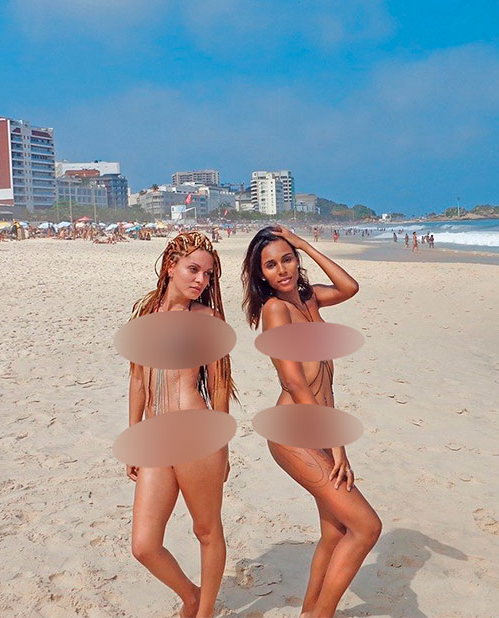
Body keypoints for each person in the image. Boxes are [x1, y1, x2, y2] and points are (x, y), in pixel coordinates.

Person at [241, 225, 381, 618]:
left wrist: (304, 244)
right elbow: (292, 380)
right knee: (367, 527)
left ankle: (308, 612)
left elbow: (349, 286)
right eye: (271, 265)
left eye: (287, 259)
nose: (282, 269)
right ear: (261, 274)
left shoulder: (308, 300)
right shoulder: (275, 310)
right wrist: (336, 441)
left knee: (336, 532)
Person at [127, 231, 238, 618]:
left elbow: (220, 386)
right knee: (144, 544)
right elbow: (138, 380)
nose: (201, 281)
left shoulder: (207, 320)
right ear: (171, 265)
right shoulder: (145, 314)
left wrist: (223, 448)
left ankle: (204, 612)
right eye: (194, 270)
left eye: (208, 275)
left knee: (206, 531)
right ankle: (191, 596)